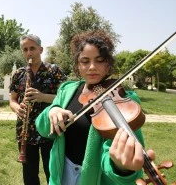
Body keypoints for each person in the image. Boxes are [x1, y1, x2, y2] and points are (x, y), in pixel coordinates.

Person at [35, 29, 153, 185]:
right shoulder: (67, 90)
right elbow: (43, 129)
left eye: (99, 60)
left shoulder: (124, 101)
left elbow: (116, 157)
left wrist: (121, 168)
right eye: (85, 61)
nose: (92, 67)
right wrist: (52, 110)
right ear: (78, 65)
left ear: (108, 64)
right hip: (62, 174)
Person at [9, 34, 67, 185]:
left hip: (50, 128)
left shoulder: (54, 71)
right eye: (25, 49)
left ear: (40, 50)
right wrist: (17, 109)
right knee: (29, 175)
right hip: (25, 131)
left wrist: (42, 97)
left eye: (32, 48)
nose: (29, 53)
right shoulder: (18, 74)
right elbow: (12, 100)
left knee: (52, 172)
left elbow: (66, 99)